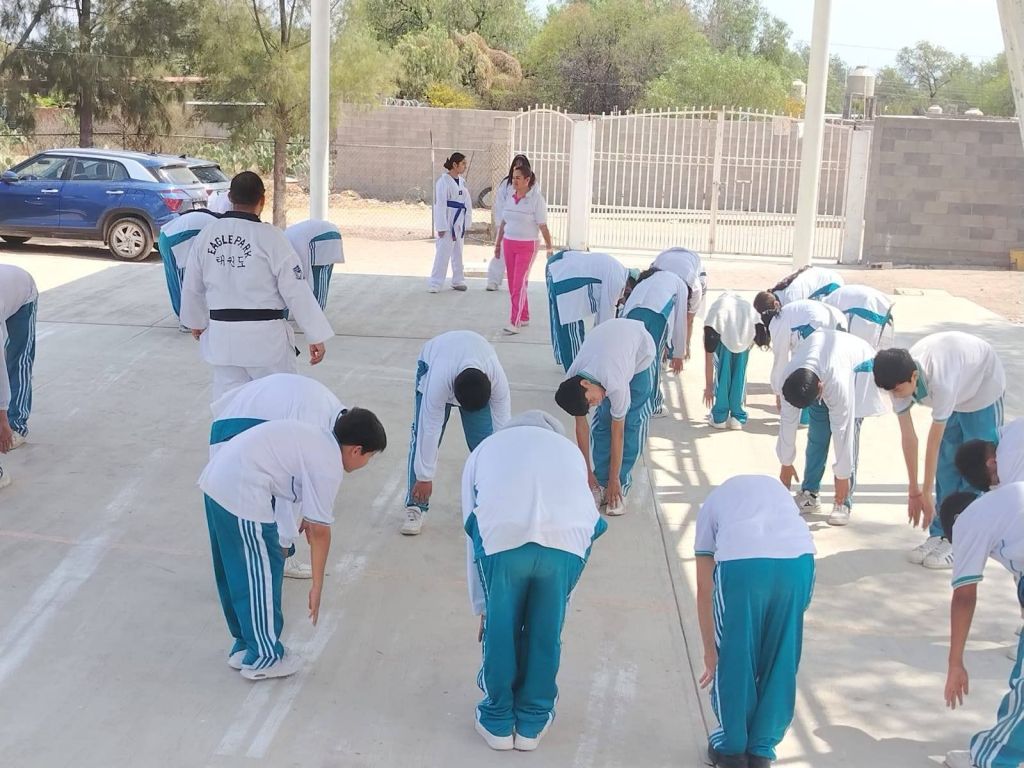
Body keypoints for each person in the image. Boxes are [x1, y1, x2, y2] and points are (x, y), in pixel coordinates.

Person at [199, 410, 386, 679]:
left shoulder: (317, 438)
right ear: (356, 450)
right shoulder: (329, 465)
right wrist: (317, 587)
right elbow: (321, 533)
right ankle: (264, 656)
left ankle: (246, 645)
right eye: (370, 456)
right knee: (262, 572)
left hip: (218, 480)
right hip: (242, 490)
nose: (367, 462)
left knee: (236, 571)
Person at [462, 410, 607, 752]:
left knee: (501, 628)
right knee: (545, 631)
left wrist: (482, 605)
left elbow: (472, 526)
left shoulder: (485, 449)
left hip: (503, 540)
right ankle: (533, 720)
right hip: (566, 544)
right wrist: (561, 600)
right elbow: (587, 514)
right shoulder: (570, 451)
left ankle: (497, 719)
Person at [179, 171, 334, 401]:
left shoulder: (207, 235)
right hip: (265, 341)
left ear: (230, 197)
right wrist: (315, 334)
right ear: (262, 200)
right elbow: (295, 289)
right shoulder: (272, 238)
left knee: (229, 403)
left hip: (223, 338)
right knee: (276, 402)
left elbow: (192, 285)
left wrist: (196, 321)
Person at [695, 475, 815, 768]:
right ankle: (762, 749)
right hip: (800, 563)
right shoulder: (780, 495)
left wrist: (711, 652)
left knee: (736, 654)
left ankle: (731, 748)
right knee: (782, 657)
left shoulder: (711, 506)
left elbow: (704, 587)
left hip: (743, 565)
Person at [873, 332, 1005, 569]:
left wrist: (926, 491)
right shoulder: (898, 380)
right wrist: (914, 490)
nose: (894, 396)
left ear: (914, 377)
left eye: (897, 391)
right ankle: (941, 532)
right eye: (889, 392)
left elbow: (933, 442)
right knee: (947, 465)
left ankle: (963, 540)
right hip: (958, 391)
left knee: (977, 469)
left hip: (981, 389)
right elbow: (909, 438)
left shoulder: (941, 381)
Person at [210, 373, 349, 579]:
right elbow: (289, 494)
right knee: (257, 518)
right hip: (235, 437)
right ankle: (275, 562)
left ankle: (249, 567)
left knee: (233, 522)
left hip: (230, 425)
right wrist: (284, 544)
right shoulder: (316, 432)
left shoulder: (328, 409)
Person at [940, 487, 1024, 768]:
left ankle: (993, 758)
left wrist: (955, 663)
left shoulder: (968, 520)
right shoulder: (1006, 505)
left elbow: (964, 597)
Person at [403, 330, 512, 536]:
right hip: (433, 360)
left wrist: (503, 475)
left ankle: (489, 500)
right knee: (420, 437)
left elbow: (503, 429)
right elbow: (429, 428)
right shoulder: (438, 381)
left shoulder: (497, 380)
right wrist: (425, 477)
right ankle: (415, 506)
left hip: (471, 359)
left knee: (485, 443)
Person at [779, 329, 889, 526]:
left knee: (850, 437)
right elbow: (787, 421)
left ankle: (843, 501)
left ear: (820, 388)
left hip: (857, 370)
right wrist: (786, 462)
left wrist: (842, 475)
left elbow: (842, 432)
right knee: (817, 437)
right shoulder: (789, 378)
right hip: (825, 368)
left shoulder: (838, 384)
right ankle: (810, 494)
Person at [555, 318, 656, 517]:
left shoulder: (615, 382)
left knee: (631, 423)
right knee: (602, 421)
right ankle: (600, 482)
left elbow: (618, 433)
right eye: (590, 405)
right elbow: (581, 428)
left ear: (585, 383)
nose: (594, 403)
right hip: (608, 346)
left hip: (640, 351)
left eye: (590, 401)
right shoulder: (572, 383)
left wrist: (614, 479)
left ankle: (619, 486)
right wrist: (587, 473)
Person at [545, 249, 631, 371]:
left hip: (558, 266)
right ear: (628, 290)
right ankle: (576, 371)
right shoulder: (617, 282)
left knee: (561, 323)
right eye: (622, 301)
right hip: (563, 275)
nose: (620, 303)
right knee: (571, 331)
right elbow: (605, 322)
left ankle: (565, 360)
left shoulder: (618, 269)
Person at [494, 162, 553, 335]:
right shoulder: (510, 197)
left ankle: (515, 321)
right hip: (509, 243)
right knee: (513, 282)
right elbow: (504, 222)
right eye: (513, 178)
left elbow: (543, 226)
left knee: (519, 283)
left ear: (527, 180)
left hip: (527, 245)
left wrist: (549, 247)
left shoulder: (536, 200)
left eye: (518, 178)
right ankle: (524, 315)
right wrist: (498, 244)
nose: (514, 181)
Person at [621, 267, 689, 416]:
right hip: (657, 315)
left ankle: (624, 399)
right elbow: (680, 322)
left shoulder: (646, 281)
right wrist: (678, 354)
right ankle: (654, 405)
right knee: (652, 359)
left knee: (632, 357)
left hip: (631, 313)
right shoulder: (680, 284)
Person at [764, 298, 847, 409]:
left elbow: (780, 360)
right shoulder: (790, 312)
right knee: (830, 368)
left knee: (807, 369)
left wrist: (779, 392)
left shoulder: (776, 322)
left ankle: (809, 411)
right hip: (839, 319)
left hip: (818, 324)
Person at [703, 292, 768, 431]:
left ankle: (719, 417)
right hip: (745, 338)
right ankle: (737, 418)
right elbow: (760, 331)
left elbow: (708, 354)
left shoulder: (716, 308)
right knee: (740, 375)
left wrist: (709, 387)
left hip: (722, 340)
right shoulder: (747, 307)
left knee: (722, 374)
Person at [157, 208, 220, 326]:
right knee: (184, 283)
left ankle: (185, 318)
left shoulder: (212, 220)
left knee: (176, 281)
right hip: (174, 240)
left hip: (167, 238)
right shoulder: (219, 226)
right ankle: (187, 321)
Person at [0, 264, 37, 459]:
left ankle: (17, 425)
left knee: (18, 360)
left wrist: (2, 419)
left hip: (23, 294)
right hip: (6, 287)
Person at [486, 154, 532, 292]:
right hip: (507, 224)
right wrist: (500, 223)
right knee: (501, 252)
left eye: (521, 166)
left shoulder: (532, 184)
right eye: (516, 166)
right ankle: (493, 280)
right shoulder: (506, 184)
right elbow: (499, 204)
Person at [429, 152, 473, 293]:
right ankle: (435, 282)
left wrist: (467, 220)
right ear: (454, 164)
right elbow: (440, 204)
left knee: (458, 252)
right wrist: (441, 226)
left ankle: (458, 280)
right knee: (443, 252)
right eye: (463, 163)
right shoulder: (443, 181)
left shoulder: (462, 182)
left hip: (459, 220)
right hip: (448, 220)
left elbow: (467, 203)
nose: (465, 166)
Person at [651, 246, 706, 356]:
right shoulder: (655, 280)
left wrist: (683, 348)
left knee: (685, 319)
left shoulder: (696, 288)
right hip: (664, 259)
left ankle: (687, 344)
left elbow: (688, 320)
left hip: (691, 262)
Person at [284, 219, 345, 310]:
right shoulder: (283, 238)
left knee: (318, 276)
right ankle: (316, 311)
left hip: (320, 238)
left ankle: (316, 313)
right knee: (322, 274)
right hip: (328, 233)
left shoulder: (281, 246)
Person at [956, 418, 1024, 493]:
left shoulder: (1006, 466)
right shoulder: (1009, 430)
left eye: (997, 480)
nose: (1000, 483)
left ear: (991, 463)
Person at [822, 284, 895, 350]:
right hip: (881, 302)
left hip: (868, 306)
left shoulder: (827, 306)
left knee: (865, 346)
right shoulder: (833, 297)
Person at [753, 266, 844, 317]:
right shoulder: (776, 293)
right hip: (820, 279)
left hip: (831, 284)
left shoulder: (791, 300)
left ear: (776, 304)